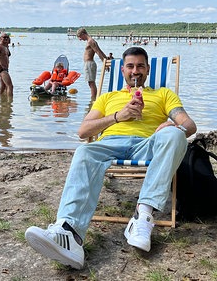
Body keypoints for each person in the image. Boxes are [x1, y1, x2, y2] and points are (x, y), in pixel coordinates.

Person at [25, 46, 197, 269]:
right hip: (109, 145)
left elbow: (190, 125)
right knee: (84, 151)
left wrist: (172, 125)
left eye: (140, 66)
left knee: (176, 135)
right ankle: (69, 233)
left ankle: (142, 216)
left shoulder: (163, 94)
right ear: (122, 70)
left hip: (147, 145)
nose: (135, 71)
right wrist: (119, 116)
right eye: (130, 66)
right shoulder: (107, 98)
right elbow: (83, 132)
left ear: (148, 70)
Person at [76, 28, 107, 101]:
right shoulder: (91, 41)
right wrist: (106, 59)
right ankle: (94, 99)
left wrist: (104, 62)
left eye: (80, 37)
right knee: (91, 82)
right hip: (89, 63)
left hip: (89, 63)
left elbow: (98, 52)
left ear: (83, 34)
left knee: (91, 83)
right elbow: (100, 51)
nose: (80, 39)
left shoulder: (91, 41)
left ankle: (93, 99)